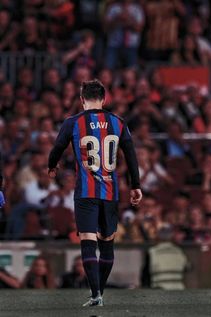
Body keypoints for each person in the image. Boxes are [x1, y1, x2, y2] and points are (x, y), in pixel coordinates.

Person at [48, 79, 142, 306]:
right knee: (107, 244)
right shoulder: (118, 122)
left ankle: (95, 294)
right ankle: (99, 292)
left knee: (88, 242)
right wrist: (136, 185)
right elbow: (130, 156)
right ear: (104, 98)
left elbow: (57, 148)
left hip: (85, 193)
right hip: (110, 193)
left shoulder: (73, 122)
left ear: (81, 100)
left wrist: (52, 166)